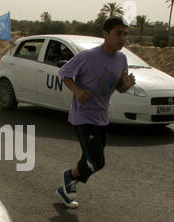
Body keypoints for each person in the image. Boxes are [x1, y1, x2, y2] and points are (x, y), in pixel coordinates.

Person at [56, 16, 136, 208]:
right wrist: (77, 91)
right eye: (118, 33)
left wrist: (125, 86)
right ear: (105, 34)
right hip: (83, 116)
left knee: (89, 160)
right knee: (97, 161)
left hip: (102, 117)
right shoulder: (88, 56)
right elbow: (64, 73)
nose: (122, 38)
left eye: (125, 34)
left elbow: (119, 87)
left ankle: (69, 181)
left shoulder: (122, 59)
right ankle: (69, 178)